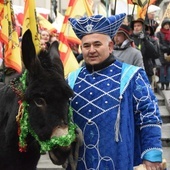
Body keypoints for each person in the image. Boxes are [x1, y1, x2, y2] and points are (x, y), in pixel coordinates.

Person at [66, 13, 163, 170]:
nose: (91, 50)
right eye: (86, 46)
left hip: (121, 160)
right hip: (81, 162)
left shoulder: (132, 75)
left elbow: (149, 116)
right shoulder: (71, 79)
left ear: (110, 47)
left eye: (97, 44)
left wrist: (151, 155)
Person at [130, 18, 160, 84]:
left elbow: (155, 54)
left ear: (143, 27)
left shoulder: (150, 39)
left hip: (146, 71)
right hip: (132, 71)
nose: (136, 28)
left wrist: (145, 40)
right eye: (135, 26)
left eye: (138, 25)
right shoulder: (130, 39)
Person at [156, 18, 170, 90]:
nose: (167, 26)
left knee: (168, 70)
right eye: (166, 25)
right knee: (161, 70)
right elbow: (158, 43)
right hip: (161, 53)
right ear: (163, 25)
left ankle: (167, 84)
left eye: (168, 25)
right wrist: (164, 48)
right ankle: (162, 84)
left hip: (169, 54)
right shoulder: (159, 33)